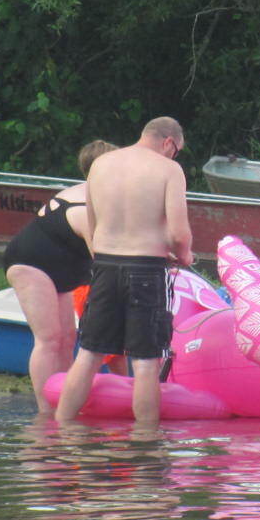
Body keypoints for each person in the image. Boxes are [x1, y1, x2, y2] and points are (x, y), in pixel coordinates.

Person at [55, 116, 193, 427]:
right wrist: (184, 255)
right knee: (145, 362)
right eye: (177, 150)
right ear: (169, 142)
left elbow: (93, 223)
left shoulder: (101, 164)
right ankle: (145, 445)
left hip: (104, 265)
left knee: (89, 355)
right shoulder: (169, 170)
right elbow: (179, 234)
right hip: (145, 269)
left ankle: (59, 432)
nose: (175, 156)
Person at [4, 139, 117, 413]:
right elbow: (104, 258)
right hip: (31, 264)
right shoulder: (83, 206)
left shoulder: (103, 198)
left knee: (68, 338)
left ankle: (65, 401)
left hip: (62, 272)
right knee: (49, 338)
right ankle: (46, 411)